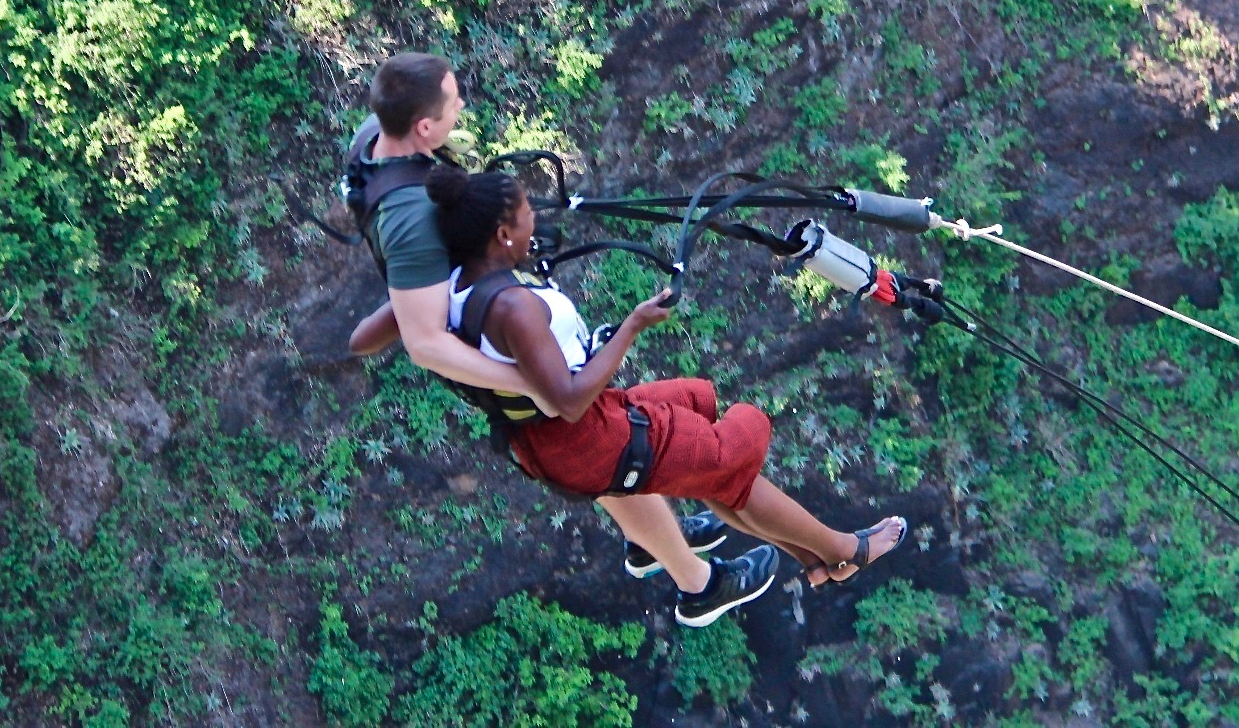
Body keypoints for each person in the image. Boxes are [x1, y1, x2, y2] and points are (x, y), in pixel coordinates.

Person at [352, 164, 910, 607]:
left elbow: (364, 339)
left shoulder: (439, 284)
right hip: (583, 435)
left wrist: (411, 271)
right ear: (500, 234)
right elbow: (569, 401)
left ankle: (813, 560)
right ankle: (845, 550)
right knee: (735, 443)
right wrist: (631, 328)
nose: (534, 228)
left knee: (698, 401)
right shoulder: (514, 307)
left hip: (554, 436)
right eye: (525, 219)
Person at [348, 53, 771, 624]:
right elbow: (424, 341)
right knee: (604, 444)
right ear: (423, 126)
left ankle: (653, 543)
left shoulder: (377, 142)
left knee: (612, 450)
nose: (462, 109)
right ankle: (699, 585)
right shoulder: (409, 217)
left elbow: (417, 283)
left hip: (483, 308)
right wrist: (536, 384)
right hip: (490, 350)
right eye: (453, 105)